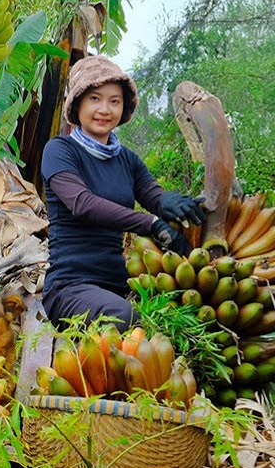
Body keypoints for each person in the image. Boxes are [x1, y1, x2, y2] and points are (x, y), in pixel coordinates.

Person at [40, 55, 206, 329]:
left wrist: (178, 203)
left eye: (114, 101)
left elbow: (154, 196)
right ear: (77, 103)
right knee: (124, 319)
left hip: (120, 285)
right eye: (95, 98)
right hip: (70, 288)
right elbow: (82, 203)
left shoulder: (127, 160)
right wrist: (149, 224)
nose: (105, 109)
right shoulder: (60, 151)